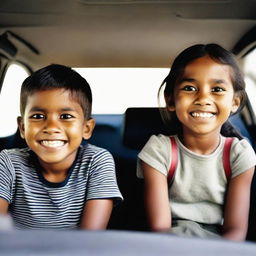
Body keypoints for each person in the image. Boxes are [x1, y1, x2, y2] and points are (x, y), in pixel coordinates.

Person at [137, 44, 256, 241]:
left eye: (217, 89)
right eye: (190, 88)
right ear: (171, 100)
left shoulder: (239, 154)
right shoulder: (159, 150)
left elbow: (235, 230)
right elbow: (160, 228)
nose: (203, 98)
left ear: (235, 102)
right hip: (170, 243)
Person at [0, 64, 122, 229]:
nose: (51, 127)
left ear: (86, 128)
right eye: (38, 116)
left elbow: (91, 238)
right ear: (23, 127)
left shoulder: (96, 161)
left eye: (65, 116)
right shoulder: (8, 162)